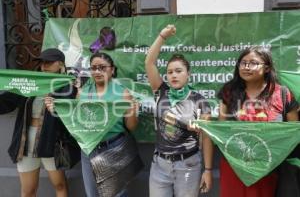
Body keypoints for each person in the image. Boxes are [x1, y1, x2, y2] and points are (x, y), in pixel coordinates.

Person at [47, 52, 143, 197]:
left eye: (102, 67)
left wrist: (133, 111)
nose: (97, 71)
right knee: (92, 194)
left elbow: (131, 127)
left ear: (112, 70)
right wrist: (56, 108)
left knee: (118, 194)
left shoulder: (123, 93)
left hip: (114, 148)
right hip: (89, 150)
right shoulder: (83, 92)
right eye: (94, 68)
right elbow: (76, 122)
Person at [217, 46, 299, 197]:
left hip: (267, 168)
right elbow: (221, 129)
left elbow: (293, 133)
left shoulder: (282, 93)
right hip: (234, 166)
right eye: (243, 63)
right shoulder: (229, 91)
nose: (246, 67)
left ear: (267, 68)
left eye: (253, 63)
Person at [145, 24, 214, 197]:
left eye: (178, 71)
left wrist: (208, 170)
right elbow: (149, 62)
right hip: (160, 165)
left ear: (188, 74)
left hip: (188, 165)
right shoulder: (161, 91)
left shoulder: (199, 100)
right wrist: (162, 36)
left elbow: (206, 137)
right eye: (169, 72)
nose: (173, 75)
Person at [0, 48, 78, 197]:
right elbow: (7, 102)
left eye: (48, 62)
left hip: (52, 141)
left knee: (60, 184)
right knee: (28, 190)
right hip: (26, 140)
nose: (44, 66)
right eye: (42, 63)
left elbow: (74, 113)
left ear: (61, 64)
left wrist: (63, 100)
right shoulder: (31, 83)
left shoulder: (68, 85)